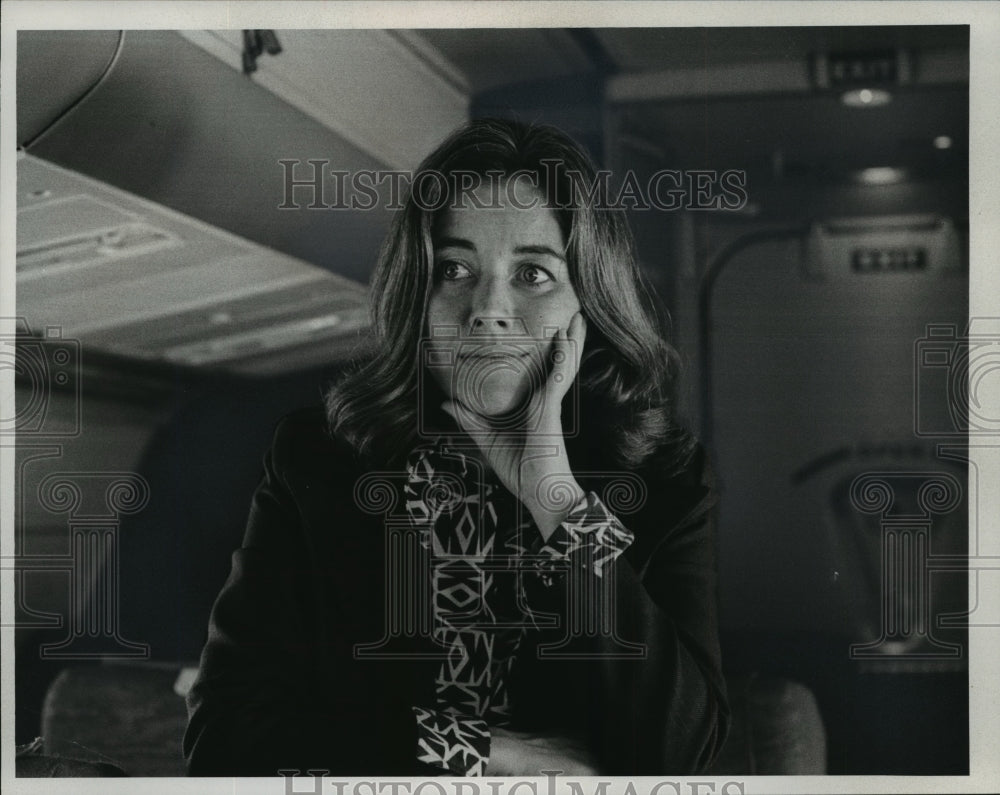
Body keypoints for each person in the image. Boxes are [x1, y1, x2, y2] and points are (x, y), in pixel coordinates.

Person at [183, 118, 729, 776]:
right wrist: (483, 751)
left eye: (533, 274)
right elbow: (225, 741)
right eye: (455, 268)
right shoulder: (317, 459)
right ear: (419, 294)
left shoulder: (666, 478)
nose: (487, 308)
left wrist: (554, 493)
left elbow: (695, 760)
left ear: (589, 303)